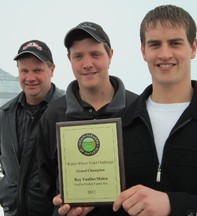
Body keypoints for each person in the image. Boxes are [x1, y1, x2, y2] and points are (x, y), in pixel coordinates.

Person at [54, 4, 197, 216]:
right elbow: (117, 203)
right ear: (143, 51)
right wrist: (90, 204)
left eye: (175, 43)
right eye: (154, 44)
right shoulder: (119, 125)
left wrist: (174, 205)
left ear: (193, 47)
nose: (164, 54)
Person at [37, 21, 138, 215]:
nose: (87, 64)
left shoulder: (137, 108)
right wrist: (60, 204)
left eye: (95, 54)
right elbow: (45, 180)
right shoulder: (53, 114)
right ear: (69, 59)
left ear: (110, 56)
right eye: (78, 56)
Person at [0, 39, 65, 216]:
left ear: (52, 70)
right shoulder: (5, 116)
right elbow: (6, 167)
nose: (30, 78)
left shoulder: (69, 110)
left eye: (37, 70)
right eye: (24, 71)